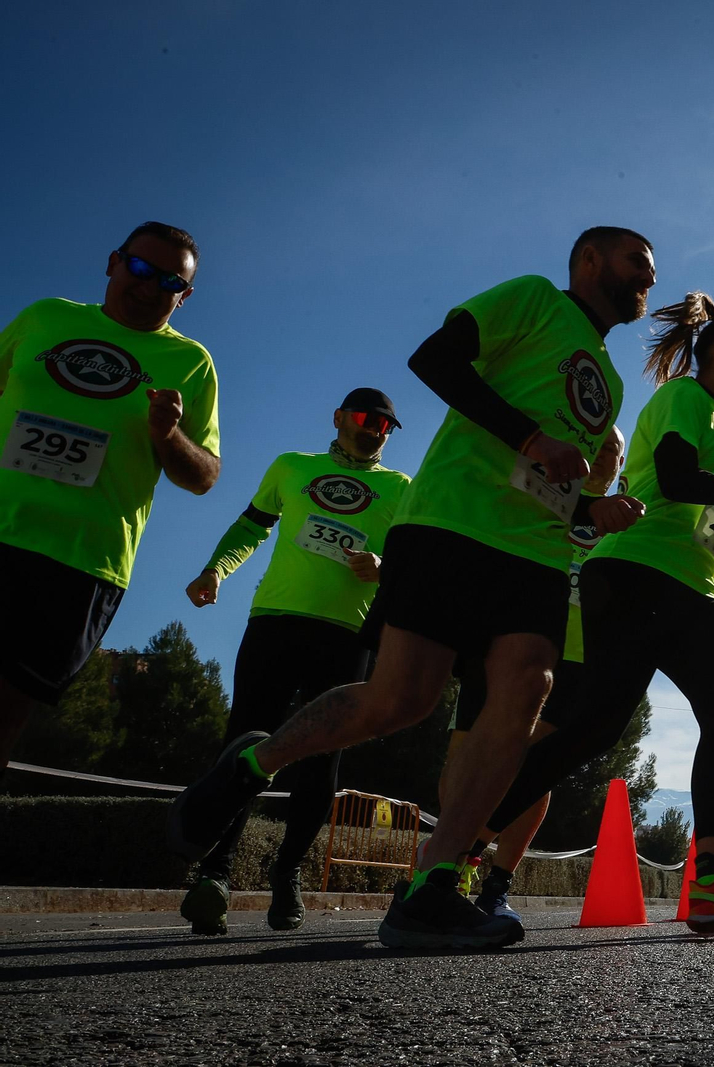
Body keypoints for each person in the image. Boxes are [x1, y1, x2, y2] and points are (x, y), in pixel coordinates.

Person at [168, 226, 654, 949]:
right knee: (401, 699)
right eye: (635, 264)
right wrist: (528, 438)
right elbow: (434, 358)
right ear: (588, 261)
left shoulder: (610, 383)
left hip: (536, 552)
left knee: (529, 684)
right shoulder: (530, 299)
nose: (648, 279)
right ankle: (250, 761)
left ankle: (433, 880)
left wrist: (593, 507)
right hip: (450, 525)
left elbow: (551, 478)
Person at [470, 291, 714, 933]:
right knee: (700, 714)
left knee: (605, 728)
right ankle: (464, 849)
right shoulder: (688, 398)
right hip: (643, 577)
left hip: (672, 579)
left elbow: (682, 510)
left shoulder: (712, 414)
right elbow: (678, 482)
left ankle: (708, 880)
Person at [177, 389, 410, 935]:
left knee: (320, 758)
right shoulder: (291, 465)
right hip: (275, 621)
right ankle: (215, 873)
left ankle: (288, 876)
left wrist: (385, 564)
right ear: (336, 417)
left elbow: (418, 557)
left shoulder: (402, 489)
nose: (373, 428)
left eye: (384, 424)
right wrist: (216, 569)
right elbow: (252, 525)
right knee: (244, 742)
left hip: (347, 634)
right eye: (363, 417)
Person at [1, 222, 220, 768]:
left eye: (170, 281)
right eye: (140, 268)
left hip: (79, 560)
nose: (150, 286)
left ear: (185, 296)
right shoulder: (45, 316)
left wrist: (168, 436)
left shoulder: (192, 362)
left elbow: (204, 476)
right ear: (112, 262)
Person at [441, 424, 625, 923]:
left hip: (573, 656)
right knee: (463, 756)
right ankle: (445, 866)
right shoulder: (535, 493)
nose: (602, 455)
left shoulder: (623, 518)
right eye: (595, 445)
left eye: (612, 450)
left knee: (531, 763)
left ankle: (494, 879)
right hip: (500, 637)